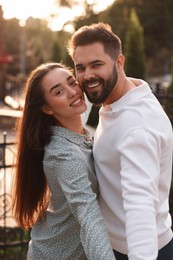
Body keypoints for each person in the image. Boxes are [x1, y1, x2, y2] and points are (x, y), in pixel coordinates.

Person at [67, 23, 173, 259]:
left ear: (119, 62)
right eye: (80, 68)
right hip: (116, 244)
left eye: (96, 65)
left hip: (136, 251)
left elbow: (140, 207)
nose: (87, 76)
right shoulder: (127, 94)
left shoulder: (136, 128)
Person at [12, 62, 116, 260]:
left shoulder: (75, 121)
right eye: (58, 92)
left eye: (72, 82)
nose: (72, 93)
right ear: (47, 108)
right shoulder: (63, 155)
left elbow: (89, 82)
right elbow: (89, 217)